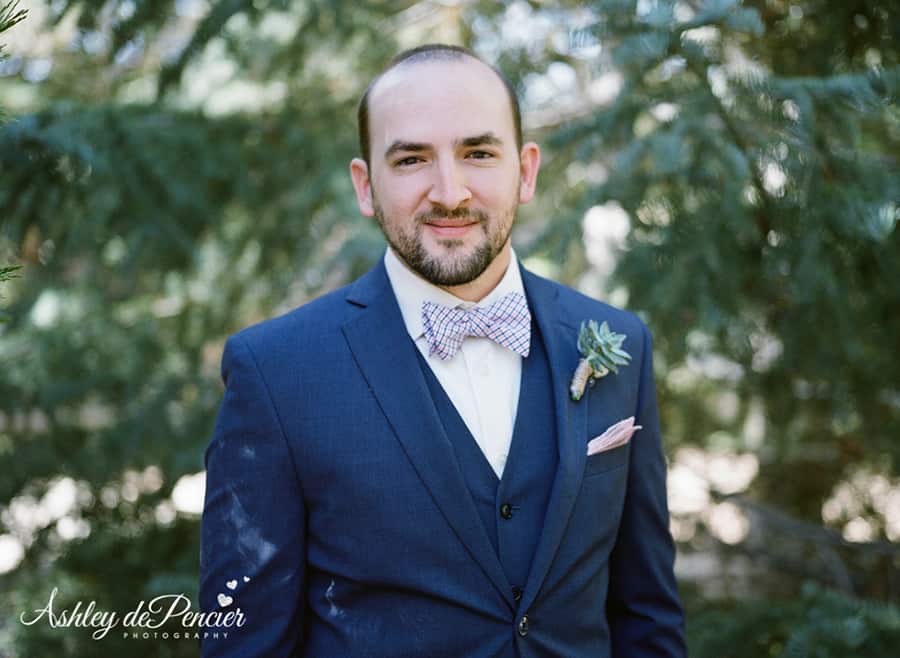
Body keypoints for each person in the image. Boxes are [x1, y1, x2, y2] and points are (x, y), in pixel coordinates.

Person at [199, 43, 686, 657]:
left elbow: (647, 615)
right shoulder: (274, 372)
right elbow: (245, 643)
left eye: (478, 153)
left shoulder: (621, 344)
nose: (450, 192)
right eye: (410, 160)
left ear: (526, 171)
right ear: (366, 185)